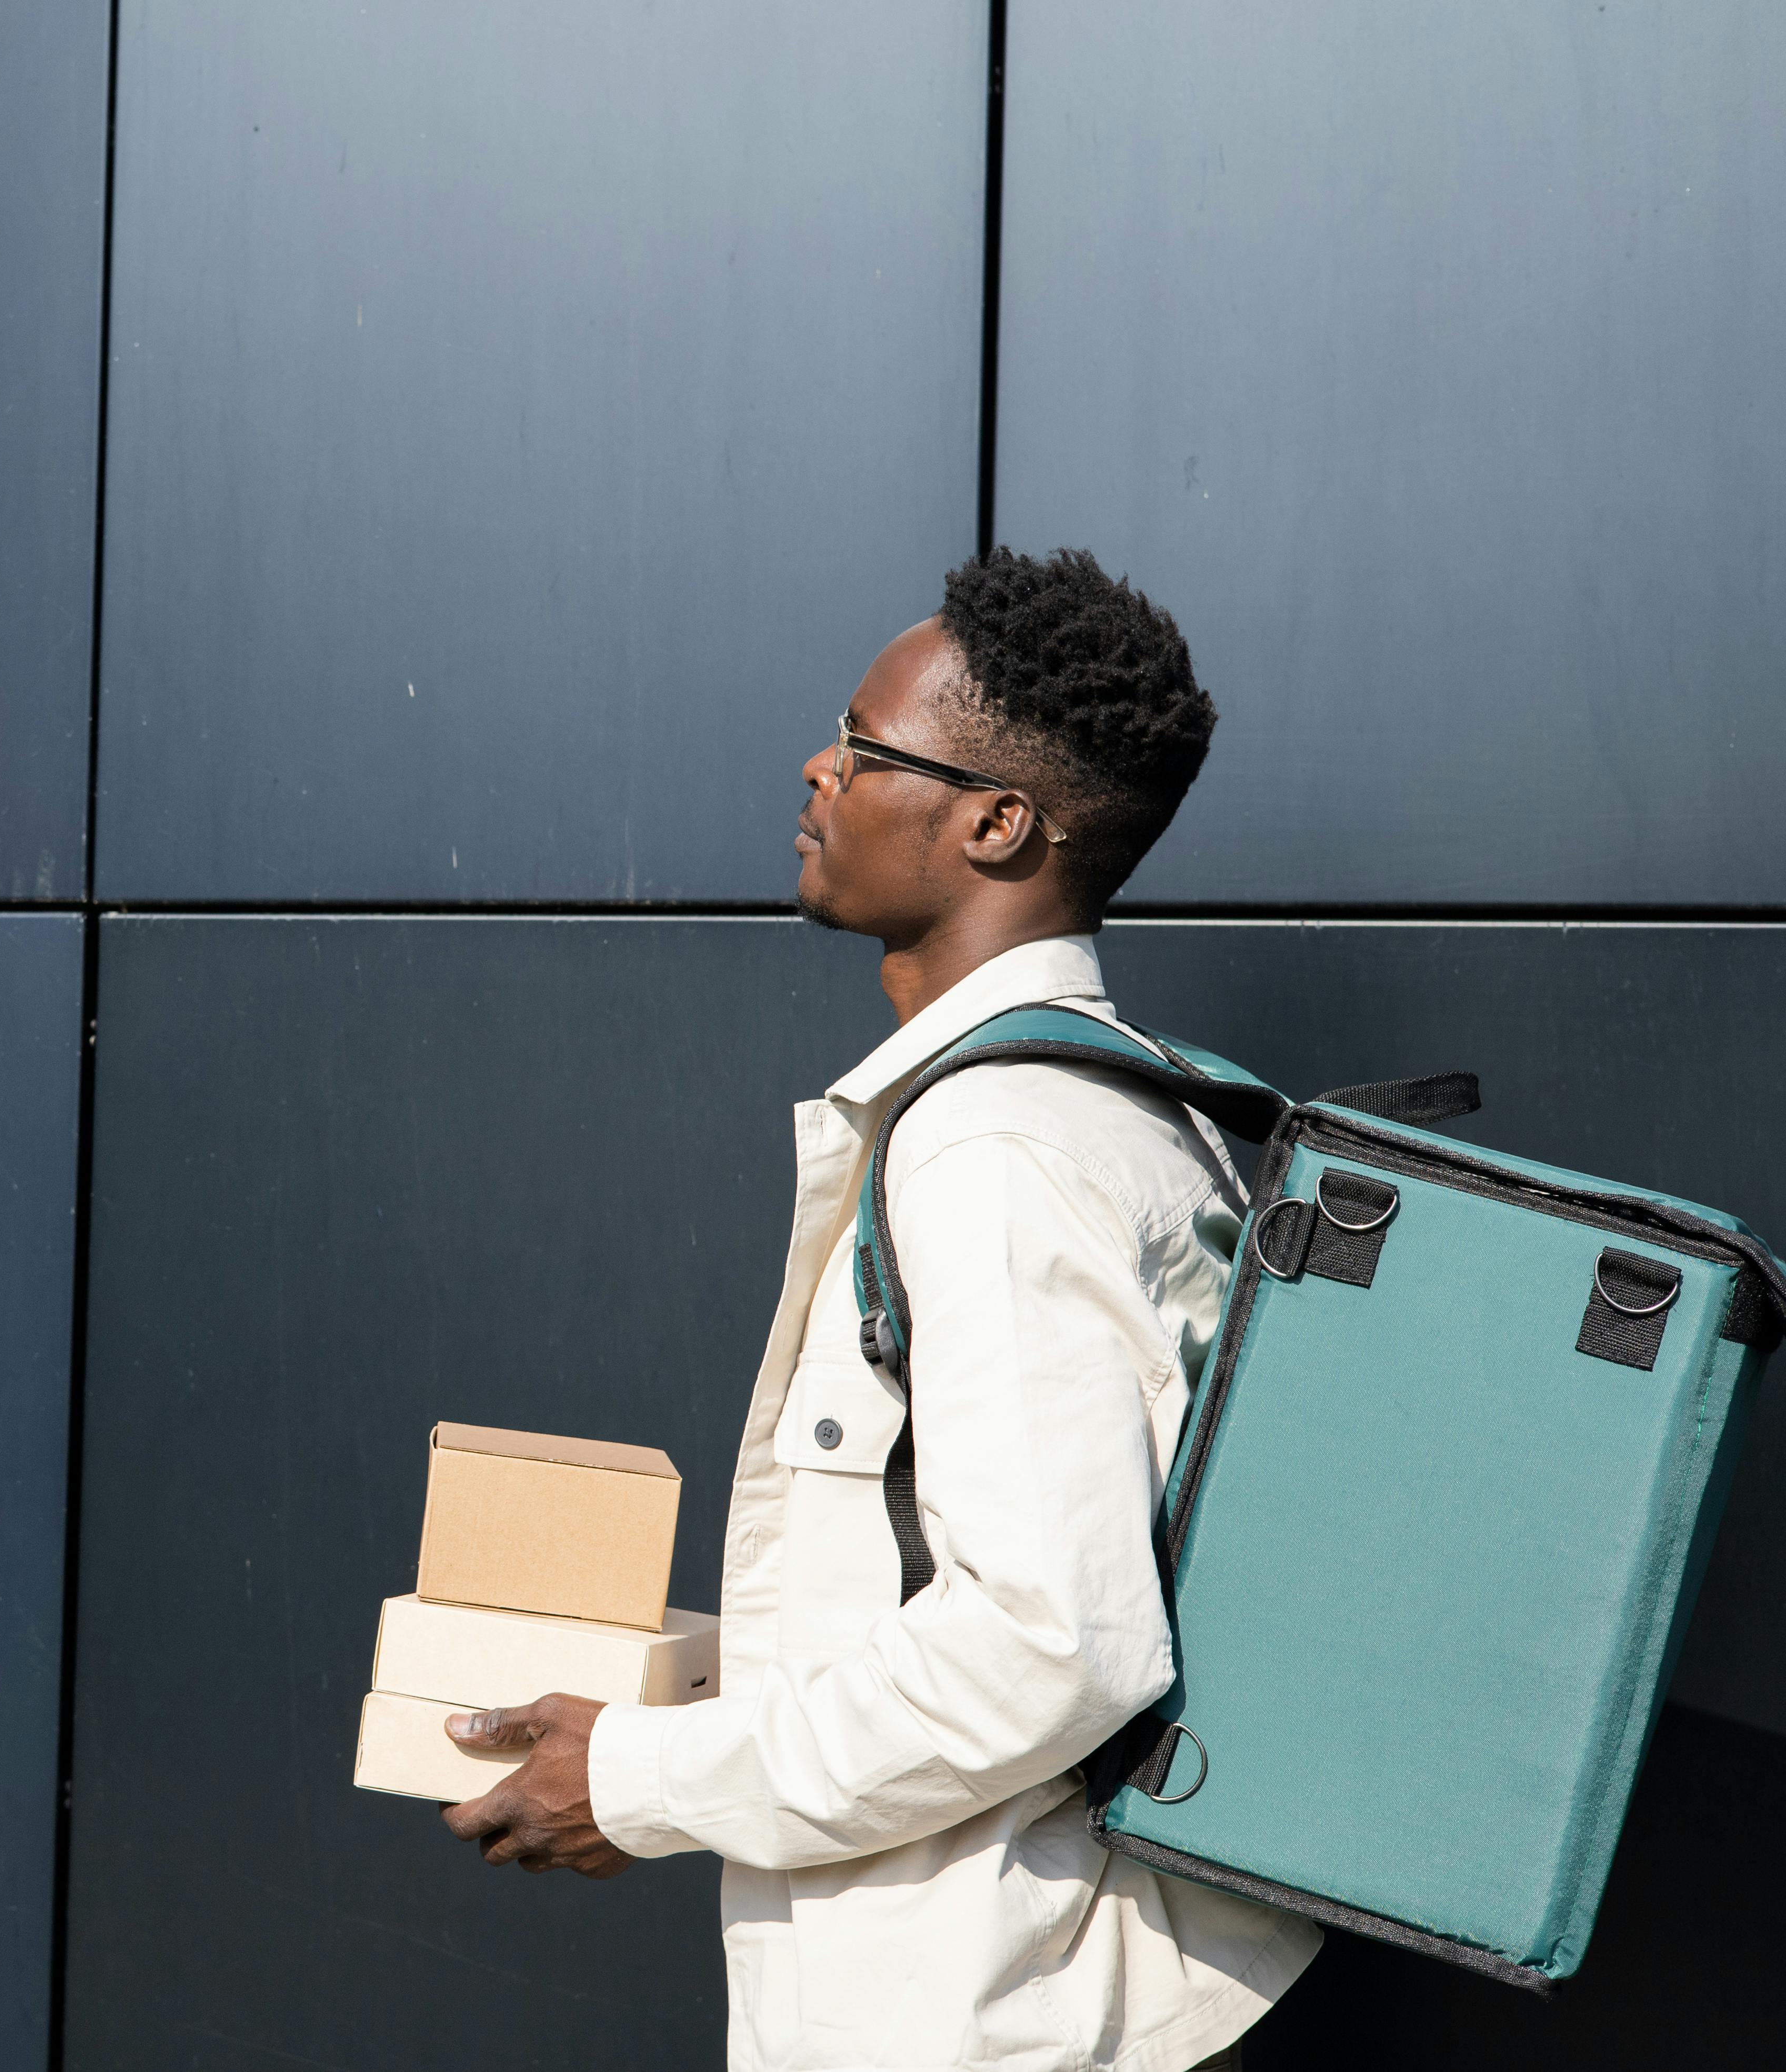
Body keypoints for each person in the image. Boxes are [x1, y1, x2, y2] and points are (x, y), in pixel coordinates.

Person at [438, 548, 1317, 2071]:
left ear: (995, 821)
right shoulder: (1133, 1115)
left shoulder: (998, 1144)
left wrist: (643, 1782)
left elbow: (1057, 1645)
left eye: (863, 744)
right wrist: (674, 1699)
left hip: (980, 2015)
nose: (819, 766)